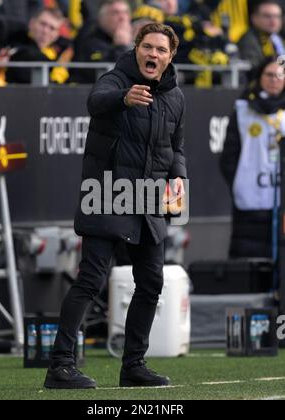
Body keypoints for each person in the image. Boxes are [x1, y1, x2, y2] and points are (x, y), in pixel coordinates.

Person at [44, 22, 187, 389]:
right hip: (106, 192)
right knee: (91, 279)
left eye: (161, 50)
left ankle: (133, 366)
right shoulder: (115, 79)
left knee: (152, 282)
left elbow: (176, 148)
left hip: (150, 199)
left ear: (170, 57)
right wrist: (124, 98)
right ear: (137, 47)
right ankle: (60, 365)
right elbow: (95, 103)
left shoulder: (175, 97)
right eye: (148, 47)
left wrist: (179, 179)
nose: (153, 54)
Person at [221, 58, 285, 258]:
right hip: (250, 200)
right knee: (249, 259)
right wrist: (241, 182)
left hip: (281, 201)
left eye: (280, 75)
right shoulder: (243, 109)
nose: (274, 80)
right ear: (259, 77)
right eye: (269, 75)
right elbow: (229, 156)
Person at [71, 0, 133, 84]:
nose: (122, 18)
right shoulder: (89, 40)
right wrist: (121, 47)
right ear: (102, 18)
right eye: (115, 13)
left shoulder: (138, 37)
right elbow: (103, 74)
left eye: (125, 12)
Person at [6, 7, 72, 84]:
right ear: (31, 23)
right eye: (43, 24)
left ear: (56, 35)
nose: (45, 31)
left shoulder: (58, 55)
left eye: (52, 28)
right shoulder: (14, 43)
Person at [238, 0, 285, 70]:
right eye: (267, 16)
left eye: (277, 16)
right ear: (254, 18)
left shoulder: (277, 39)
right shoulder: (248, 41)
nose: (273, 21)